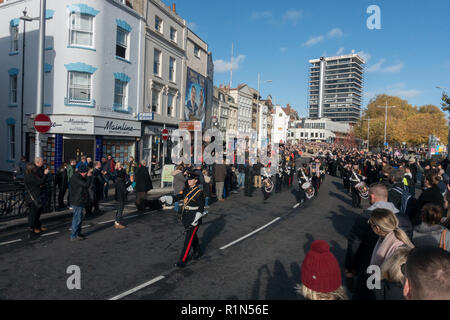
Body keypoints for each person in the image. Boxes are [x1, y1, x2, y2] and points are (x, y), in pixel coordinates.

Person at [160, 172, 206, 268]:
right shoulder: (186, 189)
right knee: (192, 236)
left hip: (194, 217)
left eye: (191, 179)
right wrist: (167, 198)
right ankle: (197, 250)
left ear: (196, 181)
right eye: (188, 179)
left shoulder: (199, 192)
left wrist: (196, 219)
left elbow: (201, 208)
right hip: (186, 216)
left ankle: (182, 261)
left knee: (188, 240)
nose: (189, 181)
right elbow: (179, 197)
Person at [24, 162, 49, 239]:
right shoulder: (30, 176)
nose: (36, 169)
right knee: (33, 215)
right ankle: (31, 232)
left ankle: (37, 228)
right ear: (32, 169)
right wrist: (45, 174)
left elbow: (38, 183)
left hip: (35, 197)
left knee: (36, 214)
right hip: (33, 198)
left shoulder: (31, 175)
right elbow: (40, 182)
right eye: (34, 168)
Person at [69, 166, 90, 241]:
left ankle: (78, 233)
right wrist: (89, 177)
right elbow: (86, 185)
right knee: (77, 218)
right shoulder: (76, 178)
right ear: (83, 172)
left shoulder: (78, 176)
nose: (87, 173)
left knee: (79, 217)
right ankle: (74, 235)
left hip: (79, 199)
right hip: (77, 200)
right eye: (86, 172)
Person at [113, 162, 129, 229]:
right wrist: (130, 188)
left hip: (118, 196)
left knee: (118, 210)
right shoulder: (121, 180)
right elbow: (124, 190)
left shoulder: (117, 179)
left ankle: (117, 222)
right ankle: (117, 223)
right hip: (121, 197)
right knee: (120, 210)